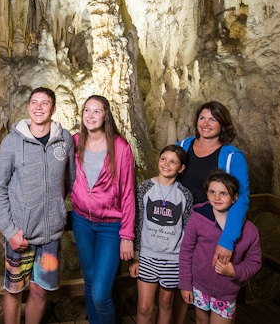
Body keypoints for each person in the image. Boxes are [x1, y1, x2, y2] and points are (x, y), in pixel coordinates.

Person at [0, 87, 76, 324]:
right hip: (21, 236)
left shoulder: (64, 139)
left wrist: (56, 207)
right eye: (34, 102)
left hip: (51, 235)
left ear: (54, 109)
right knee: (14, 290)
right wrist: (9, 232)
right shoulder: (12, 143)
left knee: (40, 291)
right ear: (28, 107)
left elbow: (71, 180)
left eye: (45, 103)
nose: (38, 107)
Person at [70, 95, 136, 323]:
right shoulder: (75, 142)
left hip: (110, 226)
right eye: (87, 110)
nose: (90, 115)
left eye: (96, 111)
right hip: (81, 222)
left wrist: (127, 236)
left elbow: (128, 193)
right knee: (88, 281)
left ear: (106, 115)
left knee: (100, 292)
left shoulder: (120, 147)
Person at [179, 171, 262, 323]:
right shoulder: (198, 219)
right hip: (199, 286)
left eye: (223, 193)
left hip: (226, 292)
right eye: (212, 192)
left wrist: (234, 271)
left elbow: (254, 262)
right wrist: (185, 284)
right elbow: (186, 251)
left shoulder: (249, 230)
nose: (217, 197)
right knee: (201, 320)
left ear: (235, 198)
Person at [176, 101, 249, 266]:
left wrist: (228, 239)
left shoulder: (233, 157)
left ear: (223, 124)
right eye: (202, 118)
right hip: (180, 226)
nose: (205, 124)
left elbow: (241, 199)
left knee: (205, 277)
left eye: (212, 119)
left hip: (211, 228)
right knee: (176, 277)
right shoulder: (182, 147)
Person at [129, 145, 193, 324]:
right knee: (144, 306)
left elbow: (187, 229)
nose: (166, 164)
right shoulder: (145, 188)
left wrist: (184, 262)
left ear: (181, 168)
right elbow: (137, 222)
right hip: (147, 256)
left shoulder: (185, 195)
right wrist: (135, 258)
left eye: (173, 162)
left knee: (166, 302)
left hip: (173, 259)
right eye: (163, 159)